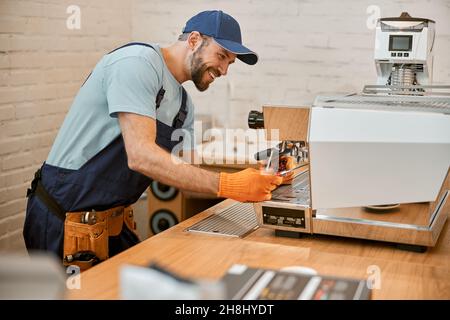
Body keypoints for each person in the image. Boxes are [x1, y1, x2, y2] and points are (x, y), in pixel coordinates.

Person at [23, 10, 288, 269]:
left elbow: (188, 175)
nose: (224, 70)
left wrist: (256, 178)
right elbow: (141, 156)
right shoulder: (137, 63)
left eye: (230, 63)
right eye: (221, 56)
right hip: (64, 217)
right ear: (194, 40)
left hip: (111, 226)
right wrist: (227, 184)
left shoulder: (184, 106)